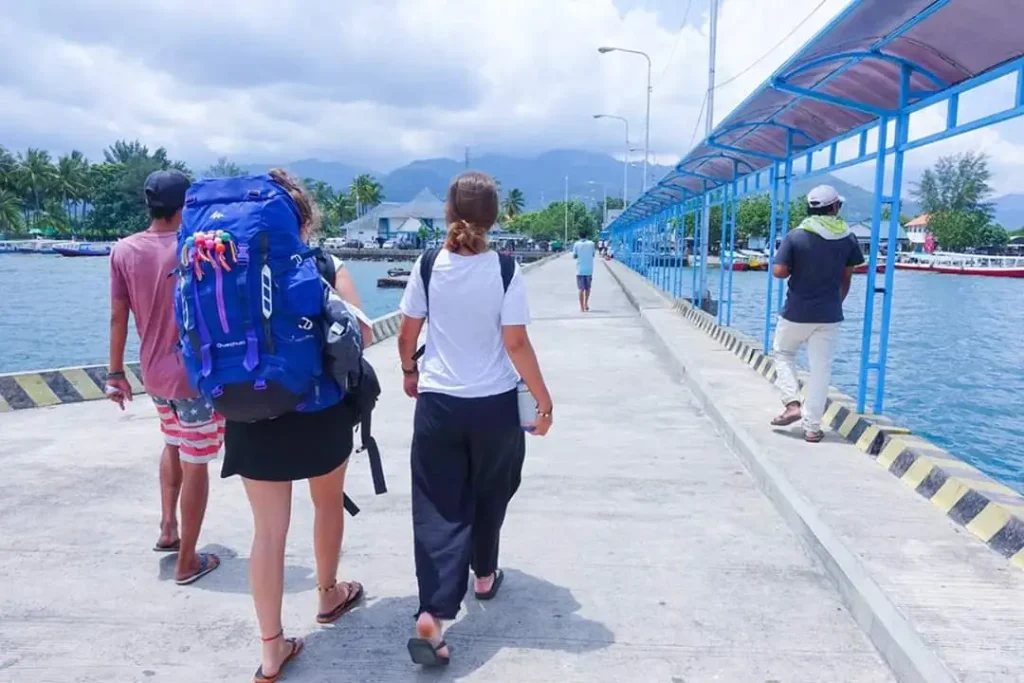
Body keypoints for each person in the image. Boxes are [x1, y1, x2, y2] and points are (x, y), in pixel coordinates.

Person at [219, 169, 374, 682]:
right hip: (318, 413)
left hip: (247, 411)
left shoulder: (227, 265)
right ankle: (328, 594)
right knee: (326, 501)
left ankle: (270, 649)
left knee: (268, 532)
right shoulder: (325, 264)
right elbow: (362, 334)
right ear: (304, 218)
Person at [397, 171, 553, 667]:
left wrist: (409, 371)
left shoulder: (427, 265)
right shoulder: (506, 271)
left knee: (440, 505)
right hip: (493, 407)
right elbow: (516, 343)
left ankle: (434, 616)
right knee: (492, 490)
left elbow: (406, 334)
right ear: (495, 218)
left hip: (439, 403)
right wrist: (544, 401)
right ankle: (483, 575)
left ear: (448, 213)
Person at [107, 169, 225, 586]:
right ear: (185, 204)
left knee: (172, 443)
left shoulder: (123, 250)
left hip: (153, 374)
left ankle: (168, 528)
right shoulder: (192, 248)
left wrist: (115, 373)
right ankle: (188, 561)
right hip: (192, 377)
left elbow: (118, 316)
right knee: (196, 463)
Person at [770, 184, 865, 442]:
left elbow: (778, 272)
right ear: (834, 208)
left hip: (796, 312)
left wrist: (796, 266)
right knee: (821, 369)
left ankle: (792, 403)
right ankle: (812, 428)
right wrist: (836, 302)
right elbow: (847, 277)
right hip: (829, 315)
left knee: (783, 353)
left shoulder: (797, 236)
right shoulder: (848, 238)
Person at [572, 229, 597, 312]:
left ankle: (582, 307)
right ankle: (586, 303)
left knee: (581, 289)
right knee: (588, 288)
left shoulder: (576, 244)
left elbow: (574, 256)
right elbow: (593, 254)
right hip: (589, 270)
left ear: (579, 236)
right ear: (587, 236)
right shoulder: (592, 244)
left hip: (580, 270)